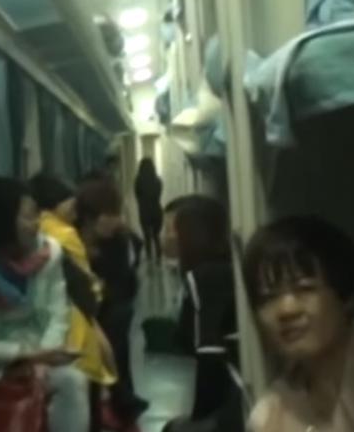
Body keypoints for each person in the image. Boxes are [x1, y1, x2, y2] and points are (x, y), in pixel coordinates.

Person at [243, 215, 354, 432]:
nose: (286, 310)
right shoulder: (272, 410)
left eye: (305, 288)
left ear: (345, 296)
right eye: (267, 298)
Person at [0, 177, 89, 432]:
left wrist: (41, 361)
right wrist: (23, 356)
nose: (37, 223)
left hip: (43, 358)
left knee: (73, 382)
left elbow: (58, 315)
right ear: (2, 223)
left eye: (36, 213)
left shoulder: (49, 254)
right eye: (27, 217)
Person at [161, 195, 243, 432]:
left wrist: (201, 421)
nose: (163, 237)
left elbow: (211, 357)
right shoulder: (219, 270)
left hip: (234, 398)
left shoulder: (205, 277)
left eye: (169, 229)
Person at [28, 173, 117, 389]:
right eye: (70, 203)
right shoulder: (65, 234)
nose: (75, 210)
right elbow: (86, 285)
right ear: (56, 203)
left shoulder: (37, 230)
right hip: (75, 320)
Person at [77, 177, 149, 428]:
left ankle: (120, 400)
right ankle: (120, 400)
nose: (117, 220)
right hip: (84, 310)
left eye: (117, 214)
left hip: (109, 306)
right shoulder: (71, 241)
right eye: (110, 214)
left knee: (118, 318)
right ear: (90, 217)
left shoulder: (119, 241)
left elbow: (121, 284)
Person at [134, 158, 163, 264]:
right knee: (156, 236)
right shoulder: (158, 180)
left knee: (147, 236)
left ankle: (149, 257)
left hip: (144, 211)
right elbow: (159, 194)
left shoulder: (138, 181)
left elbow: (137, 195)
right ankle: (158, 256)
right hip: (156, 210)